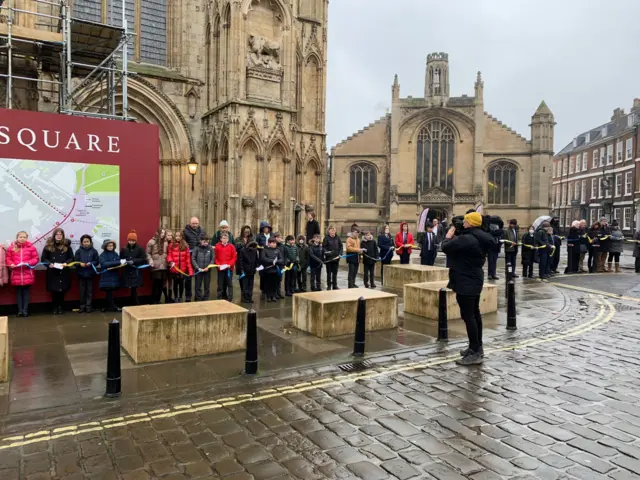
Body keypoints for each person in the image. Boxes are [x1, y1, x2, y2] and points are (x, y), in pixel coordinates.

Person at [441, 212, 496, 366]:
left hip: (465, 280)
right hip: (474, 277)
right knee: (474, 313)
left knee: (468, 316)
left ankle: (475, 351)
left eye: (465, 221)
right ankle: (476, 347)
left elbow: (445, 247)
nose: (463, 223)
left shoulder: (467, 239)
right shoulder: (479, 236)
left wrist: (449, 234)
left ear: (471, 223)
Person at [41, 228, 74, 315]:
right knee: (54, 290)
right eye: (57, 234)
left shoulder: (67, 247)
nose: (59, 236)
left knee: (62, 290)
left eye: (61, 234)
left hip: (63, 271)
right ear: (54, 235)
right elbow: (44, 258)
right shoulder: (48, 246)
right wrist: (49, 264)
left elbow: (71, 258)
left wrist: (66, 263)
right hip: (53, 271)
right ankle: (54, 307)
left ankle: (60, 307)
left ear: (63, 236)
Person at [6, 231, 38, 317]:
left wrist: (28, 263)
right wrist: (11, 264)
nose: (22, 238)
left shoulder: (31, 247)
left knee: (26, 293)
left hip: (27, 274)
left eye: (24, 237)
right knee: (18, 293)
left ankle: (25, 310)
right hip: (16, 274)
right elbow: (8, 258)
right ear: (17, 238)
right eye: (20, 237)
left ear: (26, 238)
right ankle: (20, 311)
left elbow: (35, 258)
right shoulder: (11, 248)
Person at [120, 230, 147, 305]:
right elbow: (121, 258)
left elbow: (143, 259)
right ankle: (133, 302)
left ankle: (136, 303)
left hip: (135, 271)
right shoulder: (124, 249)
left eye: (133, 241)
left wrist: (134, 261)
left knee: (134, 287)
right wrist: (125, 261)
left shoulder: (140, 249)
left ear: (135, 240)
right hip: (127, 270)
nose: (131, 242)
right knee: (130, 287)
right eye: (129, 240)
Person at [183, 217, 206, 302]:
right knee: (188, 278)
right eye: (193, 223)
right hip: (189, 257)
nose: (195, 225)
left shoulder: (202, 231)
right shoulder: (185, 232)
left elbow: (206, 242)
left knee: (198, 278)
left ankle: (198, 296)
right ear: (189, 223)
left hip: (199, 257)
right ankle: (188, 296)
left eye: (196, 223)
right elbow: (183, 244)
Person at [74, 234, 99, 312]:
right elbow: (75, 262)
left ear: (90, 242)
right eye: (84, 242)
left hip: (90, 274)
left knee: (89, 291)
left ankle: (88, 307)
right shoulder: (78, 251)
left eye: (87, 241)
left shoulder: (94, 251)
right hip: (81, 274)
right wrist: (79, 264)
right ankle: (82, 306)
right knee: (82, 291)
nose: (86, 243)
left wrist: (91, 263)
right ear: (81, 243)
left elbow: (97, 261)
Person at [167, 231, 193, 301]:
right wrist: (170, 261)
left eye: (179, 236)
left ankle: (180, 297)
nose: (178, 237)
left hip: (182, 269)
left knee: (181, 284)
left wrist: (190, 271)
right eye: (176, 236)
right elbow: (169, 255)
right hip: (174, 269)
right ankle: (175, 296)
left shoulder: (185, 245)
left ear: (182, 237)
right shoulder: (171, 245)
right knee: (175, 284)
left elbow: (188, 259)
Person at [146, 228, 168, 304]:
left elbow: (167, 253)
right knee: (156, 283)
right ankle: (153, 300)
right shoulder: (151, 242)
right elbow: (148, 253)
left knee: (162, 284)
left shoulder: (166, 242)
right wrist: (150, 261)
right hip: (155, 266)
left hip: (164, 266)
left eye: (164, 233)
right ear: (157, 233)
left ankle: (158, 300)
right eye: (161, 233)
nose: (162, 234)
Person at [99, 239, 122, 312]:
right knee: (108, 291)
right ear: (105, 247)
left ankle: (110, 305)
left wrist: (117, 262)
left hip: (114, 275)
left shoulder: (115, 254)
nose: (111, 247)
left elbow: (119, 262)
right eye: (109, 246)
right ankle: (111, 306)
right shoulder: (102, 255)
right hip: (106, 276)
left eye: (112, 245)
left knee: (111, 291)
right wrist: (115, 262)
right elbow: (104, 264)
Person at [214, 232, 237, 301]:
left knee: (229, 284)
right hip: (220, 268)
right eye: (223, 238)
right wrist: (218, 265)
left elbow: (234, 257)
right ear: (221, 239)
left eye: (226, 238)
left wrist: (230, 264)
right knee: (220, 284)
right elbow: (215, 257)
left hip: (229, 268)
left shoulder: (231, 246)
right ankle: (219, 297)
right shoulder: (217, 246)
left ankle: (230, 298)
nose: (225, 239)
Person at [191, 234, 214, 301]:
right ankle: (199, 298)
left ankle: (206, 298)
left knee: (207, 285)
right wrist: (198, 268)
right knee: (198, 285)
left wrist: (208, 267)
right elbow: (193, 258)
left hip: (207, 270)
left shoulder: (210, 248)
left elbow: (213, 259)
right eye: (204, 242)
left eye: (207, 242)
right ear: (200, 241)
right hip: (199, 270)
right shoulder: (196, 248)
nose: (205, 243)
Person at [260, 237, 283, 302]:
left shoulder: (277, 250)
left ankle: (274, 296)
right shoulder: (264, 250)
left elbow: (281, 259)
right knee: (268, 283)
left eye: (275, 243)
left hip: (276, 269)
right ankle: (269, 296)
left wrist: (277, 261)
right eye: (273, 243)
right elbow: (263, 259)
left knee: (275, 283)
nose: (274, 244)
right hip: (268, 270)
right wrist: (272, 261)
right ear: (269, 243)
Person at [235, 225, 254, 296]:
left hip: (249, 260)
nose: (247, 233)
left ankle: (248, 293)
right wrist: (241, 245)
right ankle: (243, 292)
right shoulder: (238, 239)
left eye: (248, 232)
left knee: (249, 278)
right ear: (243, 231)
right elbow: (235, 248)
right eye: (245, 231)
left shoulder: (252, 239)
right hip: (241, 260)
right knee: (242, 277)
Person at [322, 226, 342, 290]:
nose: (333, 231)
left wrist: (340, 254)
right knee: (329, 273)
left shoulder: (337, 238)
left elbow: (341, 247)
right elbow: (324, 247)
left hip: (336, 258)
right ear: (329, 231)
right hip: (329, 259)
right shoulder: (326, 238)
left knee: (335, 273)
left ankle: (335, 285)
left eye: (334, 230)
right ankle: (329, 285)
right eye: (331, 230)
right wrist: (327, 252)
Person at [256, 221, 271, 297]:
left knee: (269, 272)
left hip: (269, 256)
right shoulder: (259, 236)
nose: (266, 229)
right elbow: (256, 245)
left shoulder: (271, 235)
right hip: (261, 256)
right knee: (262, 273)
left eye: (267, 228)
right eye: (265, 228)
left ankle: (268, 288)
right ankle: (263, 289)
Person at [164, 230, 175, 303]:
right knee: (164, 281)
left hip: (171, 265)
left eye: (171, 235)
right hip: (164, 264)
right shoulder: (163, 243)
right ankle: (166, 297)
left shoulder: (173, 243)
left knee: (170, 281)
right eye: (168, 235)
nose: (169, 237)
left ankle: (170, 296)